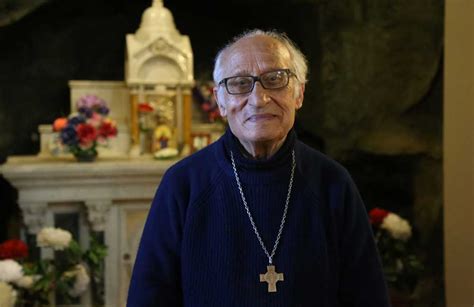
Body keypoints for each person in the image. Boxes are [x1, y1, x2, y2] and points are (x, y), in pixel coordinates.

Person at [127, 29, 390, 306]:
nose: (258, 99)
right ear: (220, 101)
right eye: (240, 83)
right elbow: (149, 298)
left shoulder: (333, 183)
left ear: (299, 93)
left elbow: (367, 297)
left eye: (275, 80)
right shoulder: (183, 184)